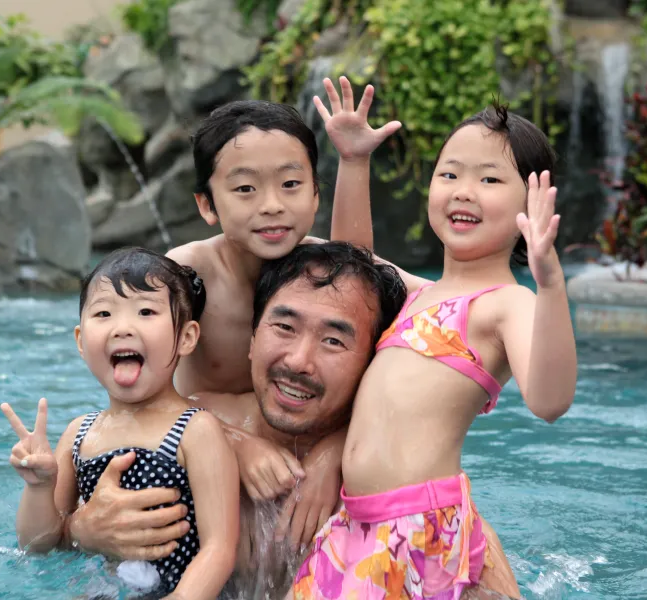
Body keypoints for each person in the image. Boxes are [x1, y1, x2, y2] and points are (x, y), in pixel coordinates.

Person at [65, 242, 524, 599]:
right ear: (251, 338)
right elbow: (49, 535)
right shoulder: (184, 427)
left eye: (333, 342)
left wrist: (334, 455)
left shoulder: (392, 485)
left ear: (371, 363)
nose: (299, 361)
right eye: (283, 327)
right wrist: (80, 530)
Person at [290, 104, 578, 599]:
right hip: (353, 523)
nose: (463, 189)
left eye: (489, 179)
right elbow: (350, 269)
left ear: (530, 206)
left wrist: (550, 282)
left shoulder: (506, 305)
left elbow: (549, 403)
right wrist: (355, 163)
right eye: (450, 173)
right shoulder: (415, 294)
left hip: (419, 526)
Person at [164, 82, 402, 546]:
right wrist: (236, 443)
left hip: (303, 448)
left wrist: (335, 453)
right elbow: (141, 395)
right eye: (246, 188)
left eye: (291, 185)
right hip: (208, 443)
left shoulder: (318, 265)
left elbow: (364, 299)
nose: (272, 204)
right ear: (207, 204)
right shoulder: (185, 275)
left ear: (316, 195)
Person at [0, 247, 240, 600]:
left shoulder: (195, 431)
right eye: (103, 313)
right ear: (81, 341)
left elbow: (219, 550)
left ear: (186, 337)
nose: (122, 328)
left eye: (145, 311)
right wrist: (38, 487)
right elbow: (39, 544)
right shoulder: (79, 434)